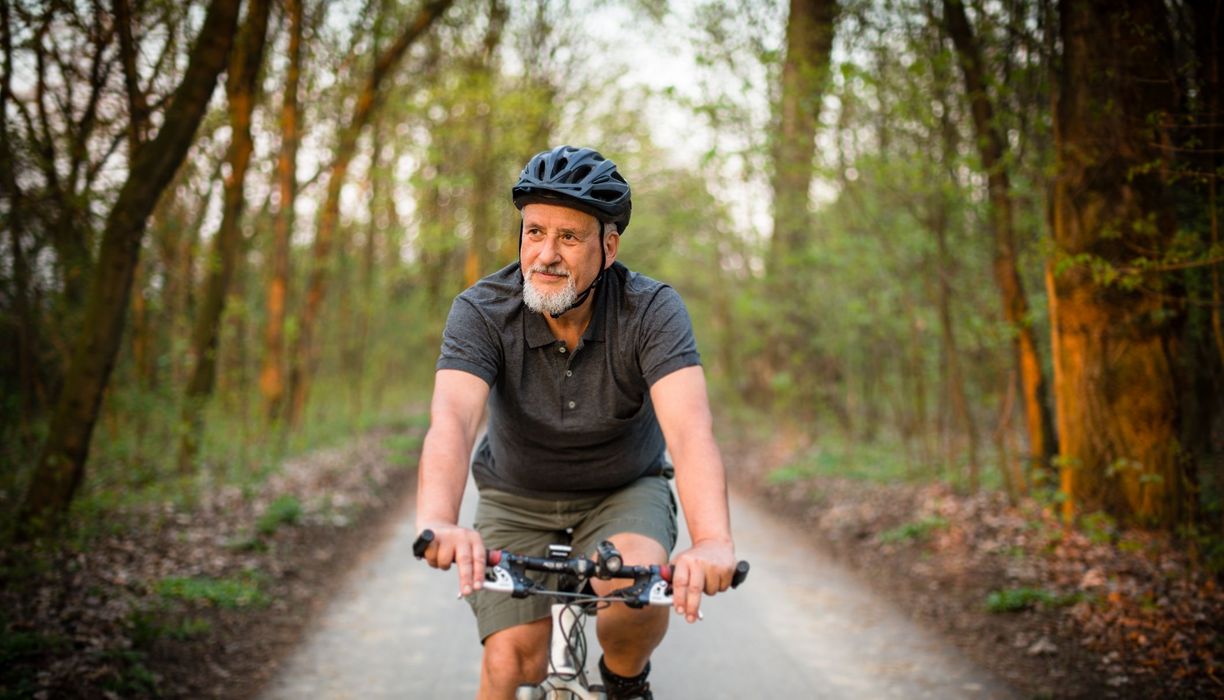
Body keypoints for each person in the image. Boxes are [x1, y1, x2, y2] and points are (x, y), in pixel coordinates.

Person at [415, 145, 737, 700]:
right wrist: (439, 520)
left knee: (629, 599)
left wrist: (711, 541)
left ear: (607, 247)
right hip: (517, 495)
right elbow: (452, 418)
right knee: (512, 659)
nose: (545, 254)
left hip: (622, 490)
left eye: (569, 236)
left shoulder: (651, 310)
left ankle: (625, 680)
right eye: (535, 232)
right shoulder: (481, 310)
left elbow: (689, 432)